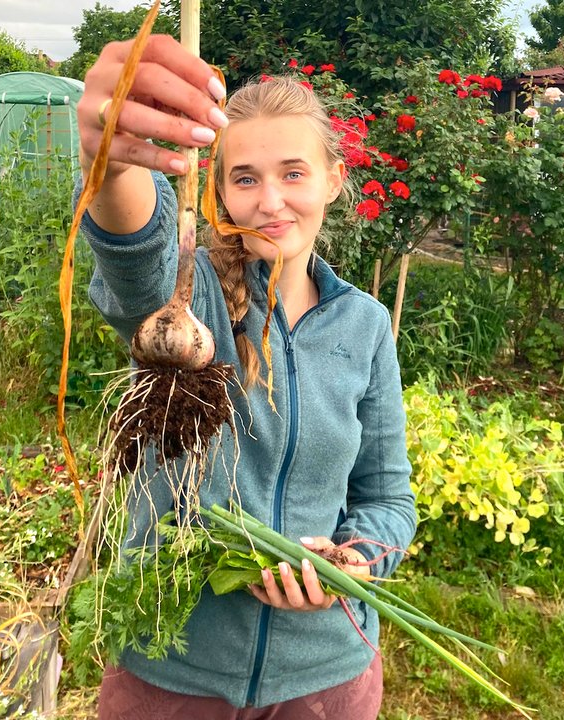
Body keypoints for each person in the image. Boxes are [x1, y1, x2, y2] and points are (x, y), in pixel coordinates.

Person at [75, 35, 417, 718]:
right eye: (245, 178)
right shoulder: (189, 291)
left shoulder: (365, 325)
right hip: (174, 672)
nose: (269, 201)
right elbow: (136, 255)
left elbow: (387, 497)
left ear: (332, 180)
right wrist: (108, 159)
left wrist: (352, 562)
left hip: (326, 677)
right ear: (221, 189)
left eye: (293, 173)